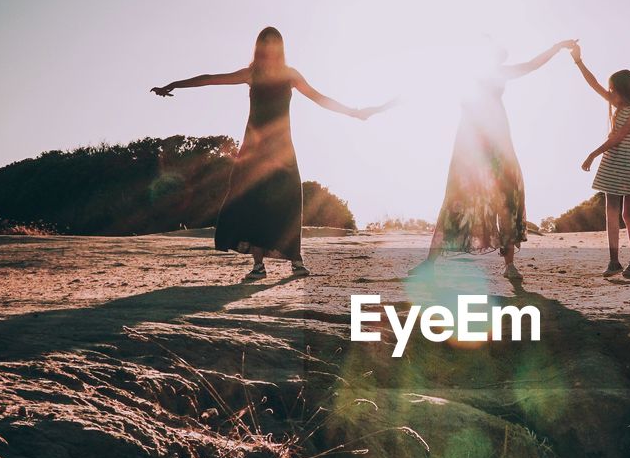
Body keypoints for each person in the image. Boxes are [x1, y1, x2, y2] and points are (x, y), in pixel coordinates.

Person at [152, 26, 388, 281]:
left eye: (276, 42)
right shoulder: (252, 74)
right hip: (254, 149)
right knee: (253, 201)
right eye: (266, 42)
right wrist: (174, 84)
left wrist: (354, 111)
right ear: (260, 47)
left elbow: (319, 98)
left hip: (282, 147)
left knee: (288, 199)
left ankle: (296, 260)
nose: (271, 47)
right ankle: (258, 265)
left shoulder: (290, 75)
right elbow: (210, 78)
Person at [427, 40, 577, 284]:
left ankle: (509, 265)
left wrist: (556, 47)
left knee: (506, 195)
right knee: (457, 195)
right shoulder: (465, 73)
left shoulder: (499, 72)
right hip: (470, 143)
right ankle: (430, 262)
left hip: (497, 140)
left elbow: (531, 65)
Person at [573, 43, 630, 277]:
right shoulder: (618, 105)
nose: (611, 93)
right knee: (611, 214)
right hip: (612, 164)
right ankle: (614, 261)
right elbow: (593, 83)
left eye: (614, 89)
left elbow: (619, 137)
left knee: (628, 215)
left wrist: (593, 153)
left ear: (625, 89)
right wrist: (578, 61)